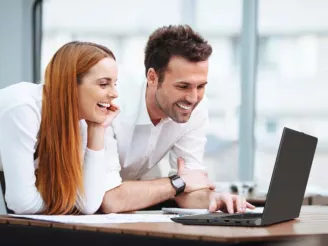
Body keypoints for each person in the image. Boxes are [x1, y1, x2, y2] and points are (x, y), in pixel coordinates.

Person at [100, 25, 255, 214]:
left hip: (125, 210)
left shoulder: (195, 107)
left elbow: (191, 185)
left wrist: (214, 199)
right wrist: (177, 183)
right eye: (183, 86)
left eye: (201, 86)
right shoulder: (112, 104)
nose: (193, 98)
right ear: (152, 77)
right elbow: (110, 199)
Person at [0, 41, 122, 215]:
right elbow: (22, 203)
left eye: (115, 83)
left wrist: (97, 129)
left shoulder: (80, 121)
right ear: (70, 84)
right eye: (103, 84)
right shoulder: (23, 108)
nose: (114, 93)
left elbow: (87, 204)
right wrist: (66, 203)